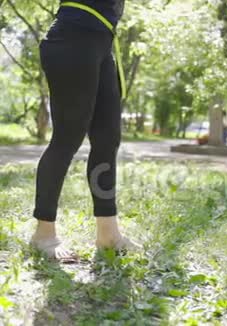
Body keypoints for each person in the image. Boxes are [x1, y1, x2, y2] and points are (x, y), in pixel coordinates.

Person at [30, 0, 139, 260]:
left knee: (107, 138)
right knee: (67, 138)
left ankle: (108, 234)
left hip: (101, 41)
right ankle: (43, 234)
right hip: (73, 36)